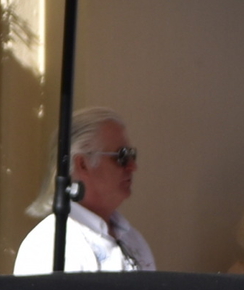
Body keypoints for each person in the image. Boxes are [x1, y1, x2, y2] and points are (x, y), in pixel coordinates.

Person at [13, 107, 155, 274]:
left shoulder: (132, 238)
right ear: (82, 164)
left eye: (132, 155)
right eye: (122, 156)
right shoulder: (50, 245)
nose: (133, 166)